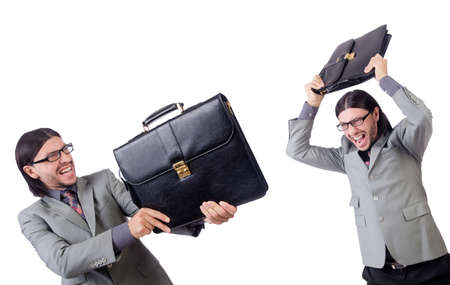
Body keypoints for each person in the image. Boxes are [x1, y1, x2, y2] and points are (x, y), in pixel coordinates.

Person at [286, 54, 450, 284]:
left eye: (357, 121)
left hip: (428, 266)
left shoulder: (405, 142)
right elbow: (296, 150)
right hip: (379, 272)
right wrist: (312, 104)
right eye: (344, 125)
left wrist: (384, 79)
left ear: (375, 114)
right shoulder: (345, 157)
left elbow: (422, 117)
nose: (351, 131)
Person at [16, 128, 237, 285]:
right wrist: (127, 231)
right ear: (31, 171)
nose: (65, 158)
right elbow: (63, 262)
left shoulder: (103, 180)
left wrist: (201, 217)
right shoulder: (32, 217)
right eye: (53, 156)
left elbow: (150, 212)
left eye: (65, 149)